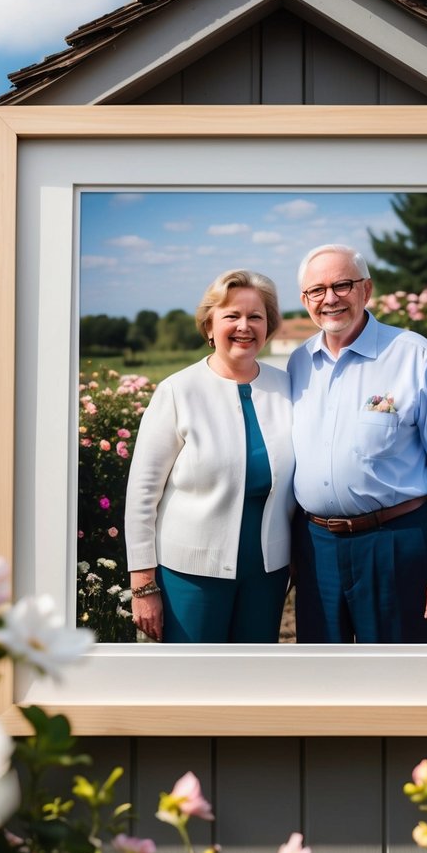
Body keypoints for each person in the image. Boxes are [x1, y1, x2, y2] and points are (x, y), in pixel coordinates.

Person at [288, 244, 427, 644]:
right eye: (316, 291)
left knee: (405, 684)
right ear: (305, 300)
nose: (330, 299)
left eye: (342, 284)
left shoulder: (413, 355)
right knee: (322, 683)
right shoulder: (298, 363)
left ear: (366, 289)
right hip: (316, 549)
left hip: (396, 544)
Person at [124, 269, 295, 643]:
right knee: (189, 684)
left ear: (269, 326)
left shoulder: (287, 388)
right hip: (190, 574)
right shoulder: (177, 391)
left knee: (252, 683)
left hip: (266, 574)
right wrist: (142, 583)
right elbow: (142, 495)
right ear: (209, 325)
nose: (244, 326)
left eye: (255, 316)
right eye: (231, 315)